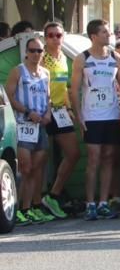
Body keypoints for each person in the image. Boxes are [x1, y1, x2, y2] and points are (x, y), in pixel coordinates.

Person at [70, 19, 120, 221]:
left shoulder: (116, 58)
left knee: (109, 158)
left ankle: (104, 201)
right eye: (104, 32)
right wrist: (79, 117)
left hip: (111, 115)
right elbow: (74, 89)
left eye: (108, 31)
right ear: (93, 36)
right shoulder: (82, 59)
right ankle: (90, 203)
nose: (108, 35)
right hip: (92, 115)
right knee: (94, 159)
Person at [6, 35, 54, 226]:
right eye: (32, 51)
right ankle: (20, 209)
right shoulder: (18, 71)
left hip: (40, 125)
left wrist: (48, 113)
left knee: (38, 167)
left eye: (39, 51)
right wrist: (27, 111)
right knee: (25, 167)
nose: (36, 54)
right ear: (26, 52)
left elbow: (48, 97)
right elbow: (9, 96)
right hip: (24, 124)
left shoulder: (45, 73)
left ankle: (33, 206)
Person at [39, 21, 78, 219]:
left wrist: (69, 107)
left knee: (73, 154)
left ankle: (53, 194)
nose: (55, 38)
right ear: (45, 38)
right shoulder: (41, 56)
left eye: (58, 35)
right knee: (40, 159)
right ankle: (34, 203)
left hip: (60, 111)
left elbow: (64, 87)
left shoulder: (63, 57)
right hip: (43, 112)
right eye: (51, 35)